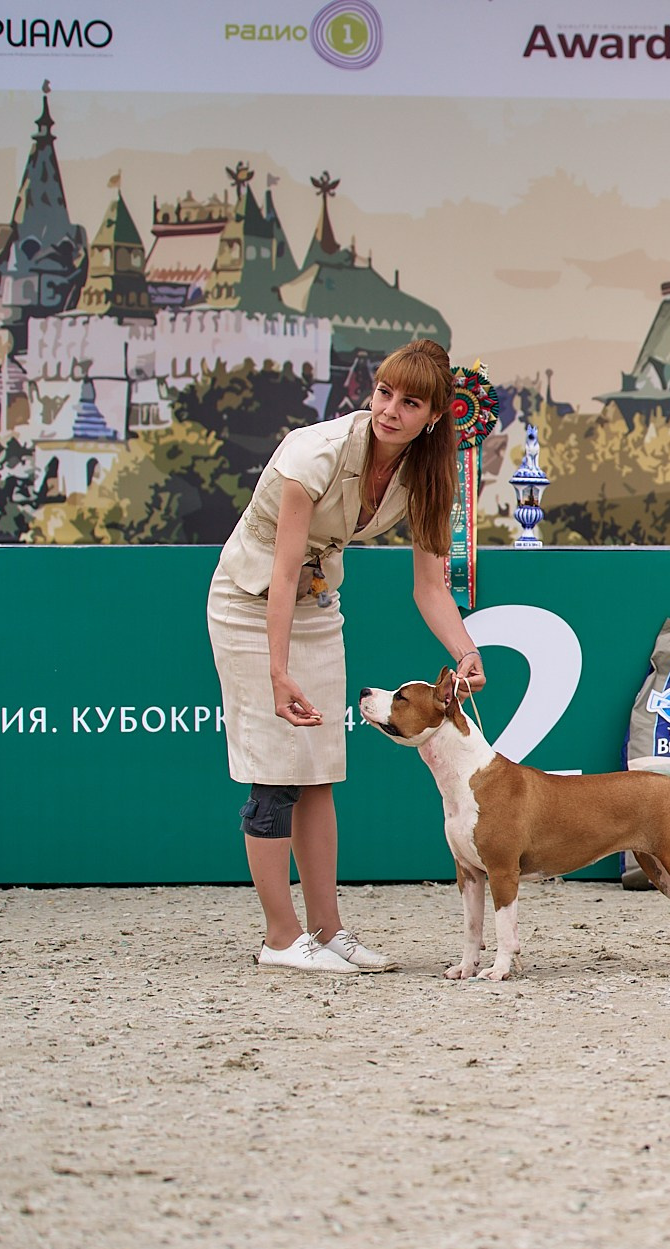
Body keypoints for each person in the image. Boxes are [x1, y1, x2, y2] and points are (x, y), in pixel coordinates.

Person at [207, 339, 487, 973]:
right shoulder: (315, 451)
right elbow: (280, 571)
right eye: (384, 392)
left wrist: (464, 650)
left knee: (320, 771)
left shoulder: (429, 475)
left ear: (434, 414)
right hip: (251, 602)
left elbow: (430, 587)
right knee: (276, 772)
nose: (388, 409)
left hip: (317, 602)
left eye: (409, 401)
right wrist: (278, 674)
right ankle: (281, 937)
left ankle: (327, 932)